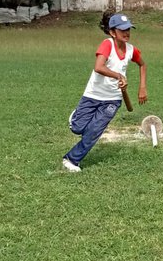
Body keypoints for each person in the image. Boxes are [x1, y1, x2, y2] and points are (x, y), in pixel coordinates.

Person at [62, 13, 148, 171]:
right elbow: (98, 67)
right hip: (93, 95)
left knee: (95, 130)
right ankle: (75, 118)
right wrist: (119, 76)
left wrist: (142, 87)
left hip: (113, 99)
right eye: (122, 29)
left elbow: (143, 64)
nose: (126, 32)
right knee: (78, 128)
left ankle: (72, 160)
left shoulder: (131, 50)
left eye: (128, 29)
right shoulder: (107, 44)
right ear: (112, 32)